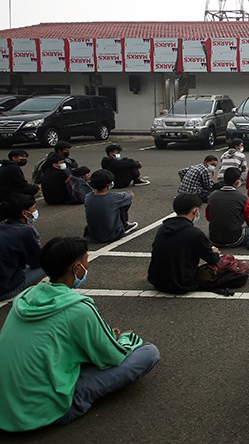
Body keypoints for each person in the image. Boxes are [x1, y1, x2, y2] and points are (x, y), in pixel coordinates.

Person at [0, 236, 160, 432]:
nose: (87, 265)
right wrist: (123, 339)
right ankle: (73, 400)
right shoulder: (78, 309)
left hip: (6, 407)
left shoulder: (26, 298)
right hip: (42, 410)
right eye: (86, 260)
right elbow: (112, 356)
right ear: (77, 269)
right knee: (148, 352)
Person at [147, 193, 221, 294]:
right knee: (220, 266)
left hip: (157, 281)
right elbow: (212, 259)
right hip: (182, 284)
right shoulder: (195, 233)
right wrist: (215, 252)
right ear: (195, 210)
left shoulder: (163, 228)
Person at [0, 194, 43, 300]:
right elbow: (38, 262)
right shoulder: (25, 231)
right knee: (48, 265)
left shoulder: (3, 228)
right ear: (24, 213)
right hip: (5, 289)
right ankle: (29, 292)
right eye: (33, 209)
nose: (35, 212)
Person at [206, 167, 249, 248]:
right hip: (235, 240)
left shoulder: (212, 196)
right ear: (237, 182)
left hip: (214, 239)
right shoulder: (243, 198)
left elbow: (208, 217)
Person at [84, 169, 138, 243]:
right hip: (112, 235)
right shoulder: (116, 198)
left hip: (91, 235)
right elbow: (130, 196)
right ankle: (124, 224)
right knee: (124, 203)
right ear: (109, 184)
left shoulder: (88, 197)